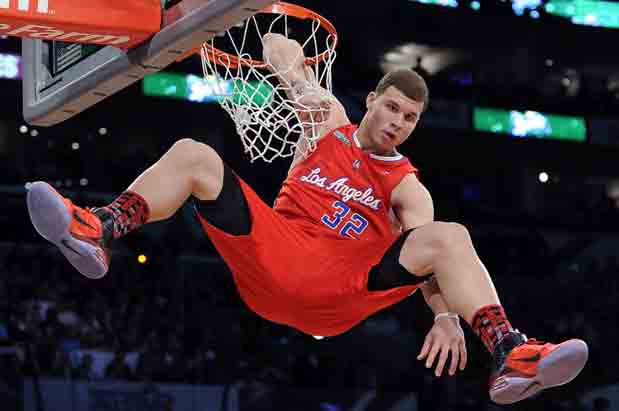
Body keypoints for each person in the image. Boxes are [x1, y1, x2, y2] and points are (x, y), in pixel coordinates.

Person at [26, 33, 587, 404]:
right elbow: (278, 48)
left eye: (411, 118)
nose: (398, 122)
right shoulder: (326, 121)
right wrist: (267, 20)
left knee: (449, 235)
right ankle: (98, 229)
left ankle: (508, 352)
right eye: (393, 107)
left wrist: (444, 317)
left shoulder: (408, 188)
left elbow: (429, 262)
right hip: (276, 256)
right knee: (195, 155)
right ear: (372, 100)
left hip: (341, 288)